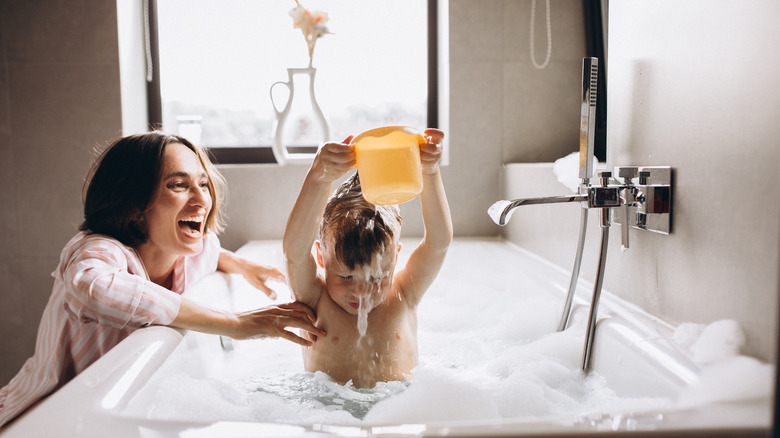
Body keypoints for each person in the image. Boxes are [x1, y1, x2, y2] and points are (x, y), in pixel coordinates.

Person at [0, 132, 325, 427]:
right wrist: (234, 324)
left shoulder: (195, 252)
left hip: (102, 418)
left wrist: (241, 264)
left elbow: (211, 249)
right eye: (178, 185)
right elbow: (93, 288)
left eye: (203, 183)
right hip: (36, 414)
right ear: (133, 205)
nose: (201, 199)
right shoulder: (97, 249)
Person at [283, 129, 452, 388]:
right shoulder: (315, 300)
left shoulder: (404, 294)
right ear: (321, 257)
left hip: (396, 414)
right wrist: (319, 177)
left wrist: (429, 171)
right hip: (332, 416)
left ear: (395, 258)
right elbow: (294, 252)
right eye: (346, 276)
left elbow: (439, 243)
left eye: (377, 276)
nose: (361, 290)